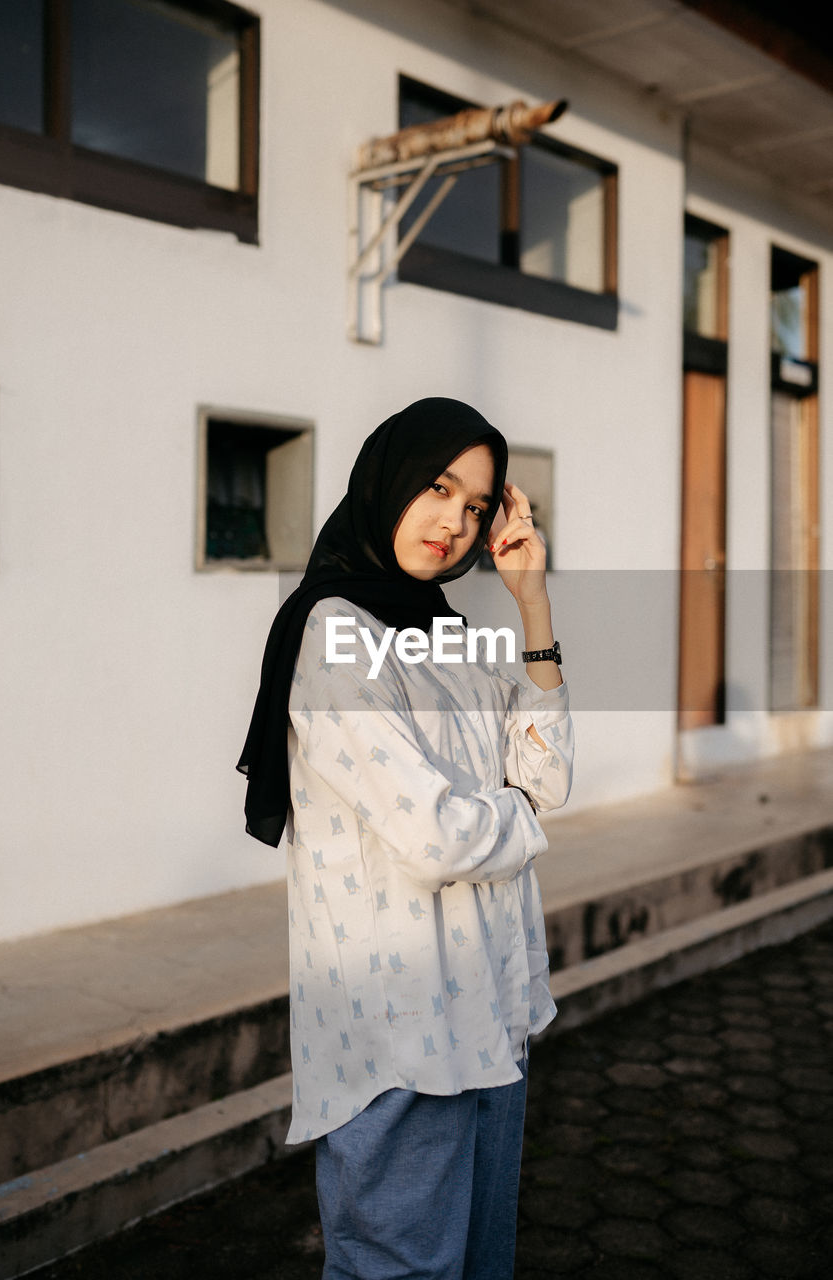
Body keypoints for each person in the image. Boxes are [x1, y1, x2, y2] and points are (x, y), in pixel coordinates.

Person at [238, 397, 573, 1280]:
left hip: (493, 1012)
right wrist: (515, 814)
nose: (454, 523)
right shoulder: (333, 634)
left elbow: (547, 775)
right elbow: (439, 834)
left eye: (475, 505)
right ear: (387, 481)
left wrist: (532, 606)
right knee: (398, 1270)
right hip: (401, 1030)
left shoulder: (445, 636)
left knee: (476, 1264)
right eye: (437, 487)